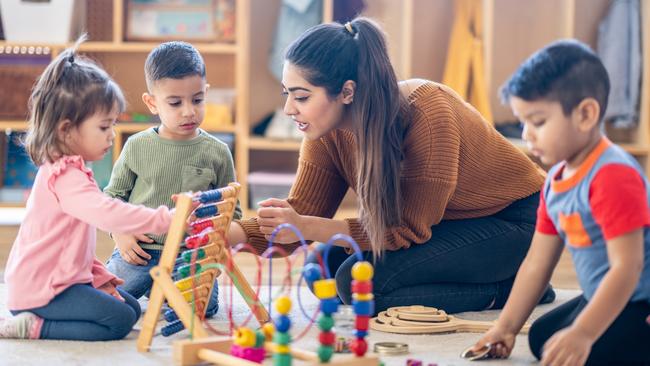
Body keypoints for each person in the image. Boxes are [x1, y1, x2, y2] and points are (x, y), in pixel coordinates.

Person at [227, 17, 555, 314]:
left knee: (360, 287)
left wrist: (307, 226)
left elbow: (406, 230)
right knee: (323, 268)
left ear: (346, 92)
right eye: (287, 94)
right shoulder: (325, 132)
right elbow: (301, 213)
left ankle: (512, 290)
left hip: (518, 221)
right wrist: (231, 234)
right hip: (447, 222)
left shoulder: (427, 115)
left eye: (301, 97)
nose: (287, 109)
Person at [471, 40, 650, 365]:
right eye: (523, 122)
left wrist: (583, 332)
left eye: (538, 122)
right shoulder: (555, 182)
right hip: (610, 294)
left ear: (585, 114)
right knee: (544, 339)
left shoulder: (612, 175)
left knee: (587, 349)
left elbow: (627, 268)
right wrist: (505, 327)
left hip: (641, 299)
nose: (527, 134)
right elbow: (537, 264)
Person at [0, 39, 175, 341]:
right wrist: (164, 219)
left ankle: (47, 316)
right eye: (104, 127)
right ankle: (33, 326)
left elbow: (70, 242)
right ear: (66, 130)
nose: (112, 135)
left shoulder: (73, 168)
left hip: (62, 280)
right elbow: (108, 214)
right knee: (119, 321)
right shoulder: (65, 177)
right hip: (42, 290)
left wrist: (96, 274)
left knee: (131, 308)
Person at [105, 41, 241, 318]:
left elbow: (233, 213)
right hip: (139, 251)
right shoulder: (136, 146)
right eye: (175, 103)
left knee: (200, 309)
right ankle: (155, 287)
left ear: (206, 93)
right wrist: (120, 233)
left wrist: (211, 243)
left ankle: (163, 290)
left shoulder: (218, 152)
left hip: (189, 256)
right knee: (105, 300)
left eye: (197, 99)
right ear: (152, 102)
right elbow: (111, 199)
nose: (189, 111)